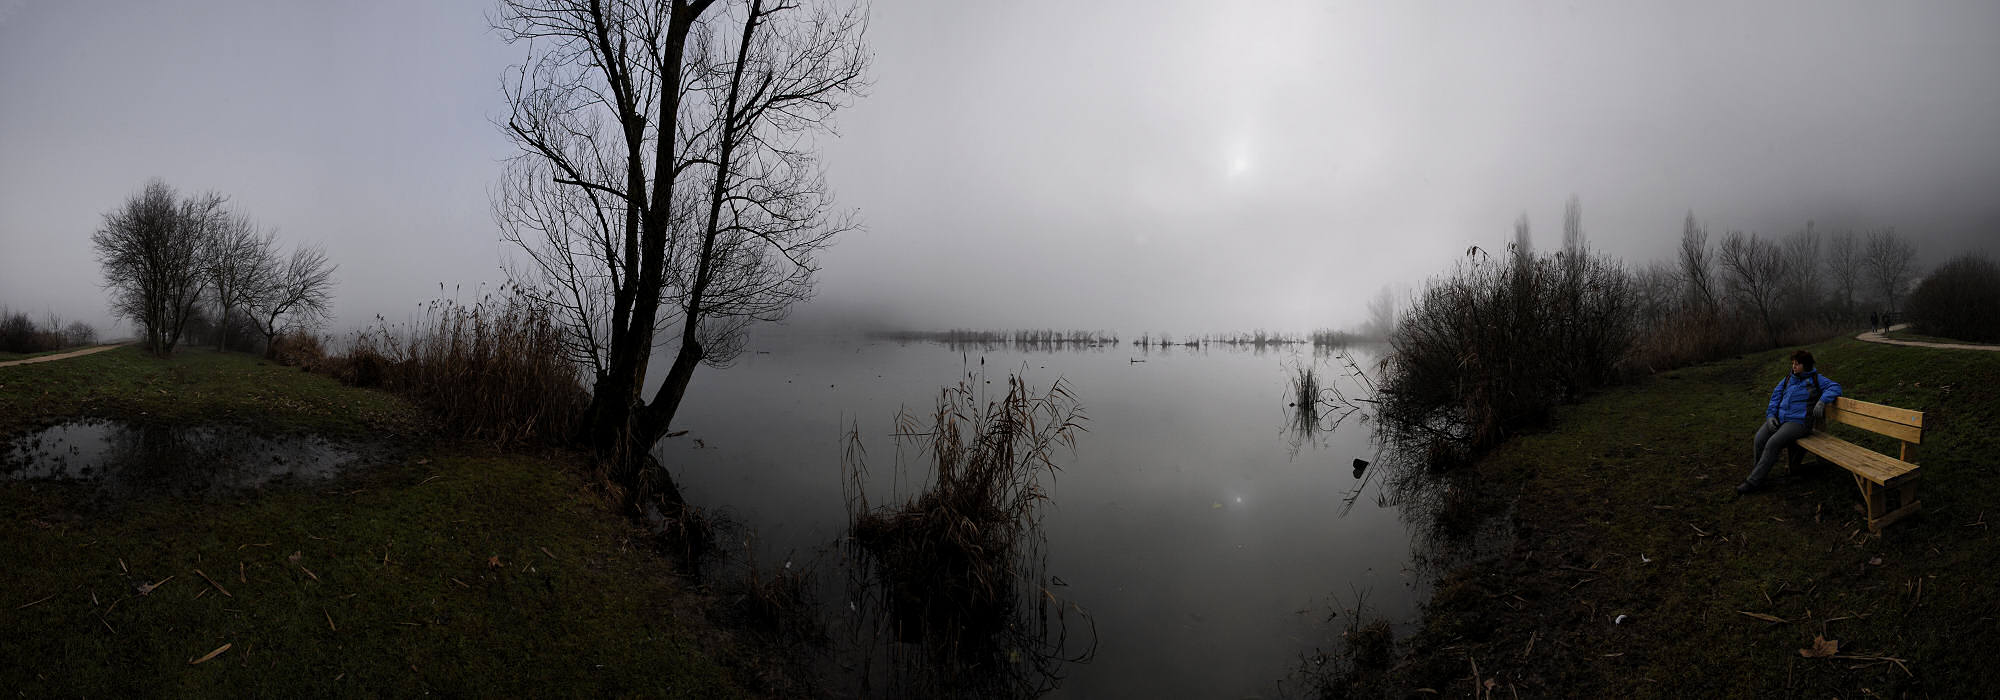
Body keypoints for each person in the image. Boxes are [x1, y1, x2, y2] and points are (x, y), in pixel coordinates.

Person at [1739, 349, 1842, 495]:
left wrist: (1822, 401)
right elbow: (1775, 397)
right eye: (1793, 363)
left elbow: (1835, 387)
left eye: (1797, 364)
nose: (1794, 366)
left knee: (1773, 443)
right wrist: (1770, 416)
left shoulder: (1815, 379)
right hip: (1780, 419)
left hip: (1799, 423)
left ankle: (1753, 482)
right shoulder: (1788, 379)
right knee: (1759, 439)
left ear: (1806, 365)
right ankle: (1759, 474)